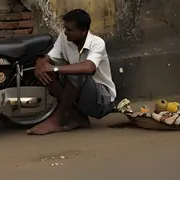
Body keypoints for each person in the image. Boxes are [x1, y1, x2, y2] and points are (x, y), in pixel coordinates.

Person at [29, 8, 117, 136]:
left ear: (83, 32)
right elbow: (47, 60)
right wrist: (40, 65)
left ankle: (56, 120)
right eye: (65, 28)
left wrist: (54, 68)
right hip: (81, 95)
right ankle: (78, 117)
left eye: (69, 30)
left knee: (77, 72)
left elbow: (89, 68)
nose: (65, 32)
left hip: (102, 100)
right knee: (48, 73)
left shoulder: (97, 43)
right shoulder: (64, 39)